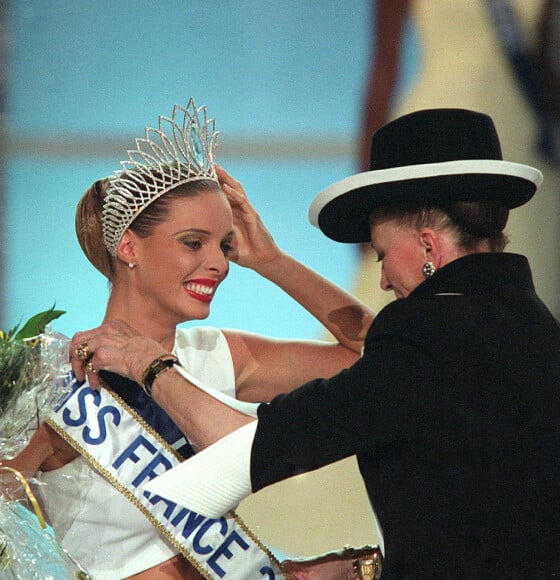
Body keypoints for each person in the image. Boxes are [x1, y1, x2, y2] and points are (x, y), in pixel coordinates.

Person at [74, 108, 560, 578]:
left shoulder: (425, 347)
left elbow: (245, 454)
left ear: (428, 247)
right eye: (194, 242)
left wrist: (151, 365)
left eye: (382, 256)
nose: (383, 283)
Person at [1, 98, 380, 579]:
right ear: (129, 246)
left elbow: (378, 354)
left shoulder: (218, 355)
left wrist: (272, 261)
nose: (220, 263)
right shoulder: (54, 382)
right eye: (193, 242)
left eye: (224, 245)